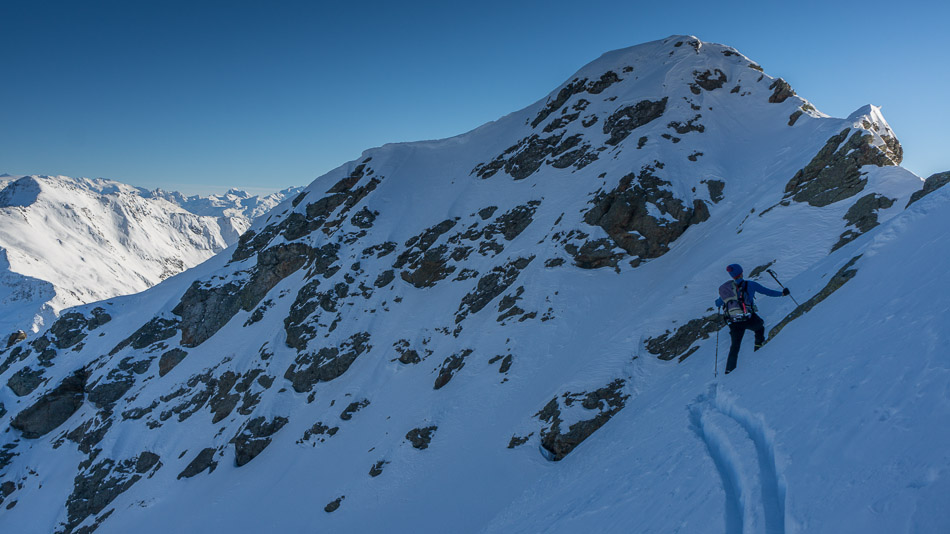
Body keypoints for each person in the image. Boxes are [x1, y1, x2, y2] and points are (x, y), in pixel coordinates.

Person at [715, 264, 789, 374]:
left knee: (735, 346)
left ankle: (729, 371)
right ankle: (758, 349)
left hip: (734, 322)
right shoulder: (750, 285)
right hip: (748, 318)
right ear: (741, 273)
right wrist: (782, 294)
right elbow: (767, 292)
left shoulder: (729, 289)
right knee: (759, 327)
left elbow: (717, 303)